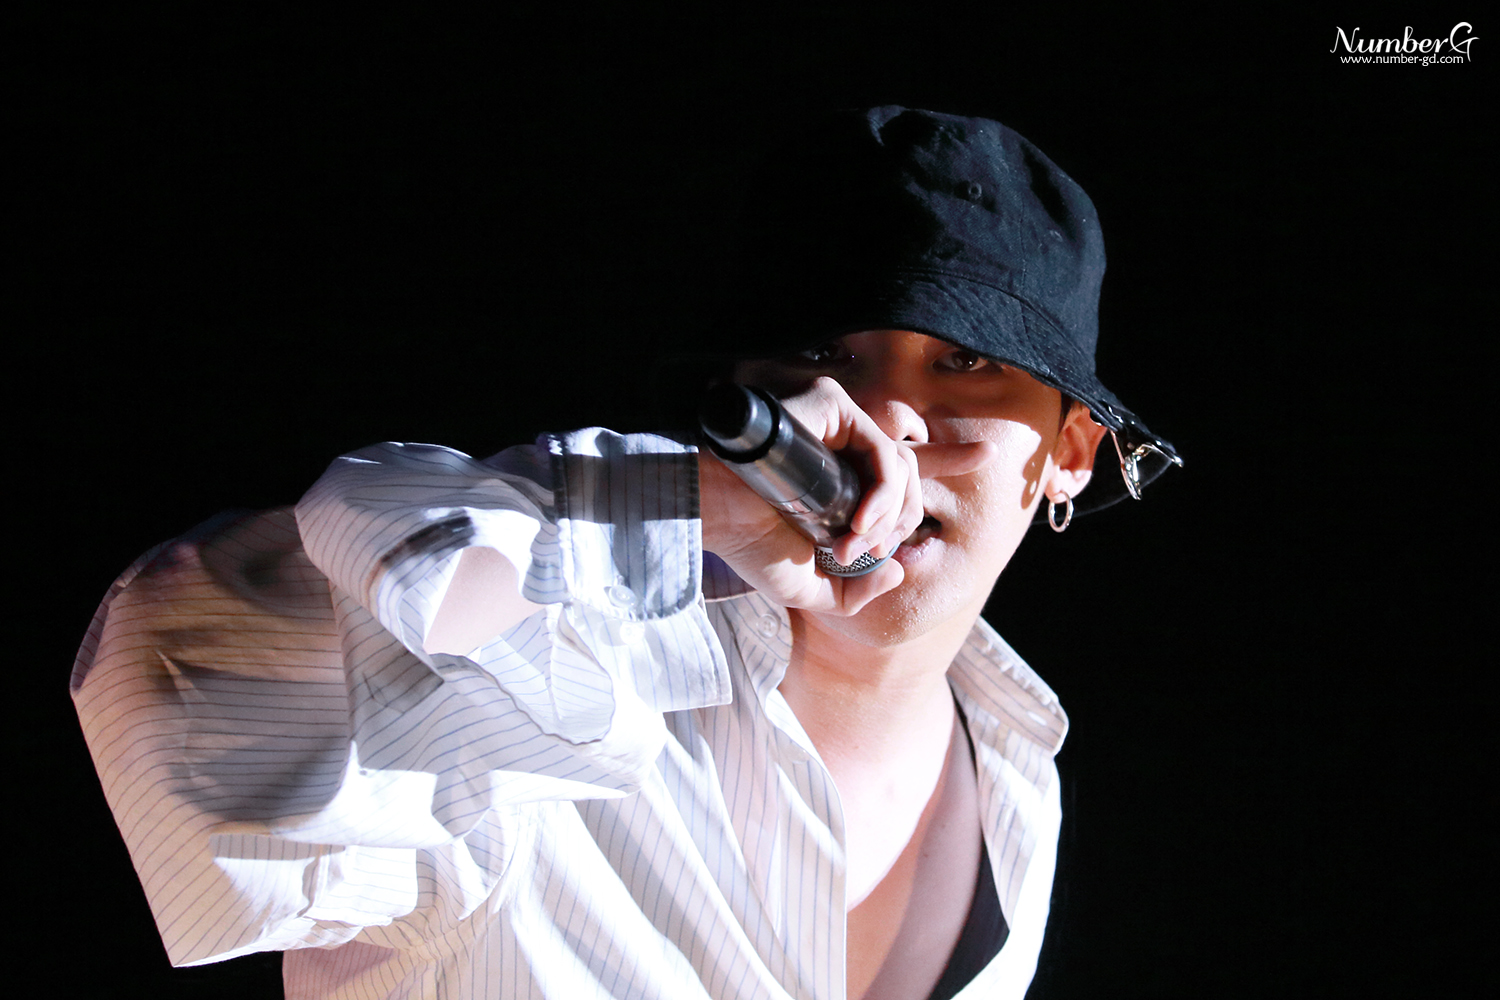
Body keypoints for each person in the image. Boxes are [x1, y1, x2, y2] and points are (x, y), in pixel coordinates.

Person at [71, 107, 1179, 1000]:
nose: (887, 417)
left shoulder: (1020, 773)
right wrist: (679, 503)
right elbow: (179, 649)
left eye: (967, 363)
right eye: (829, 353)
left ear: (1072, 452)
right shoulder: (558, 673)